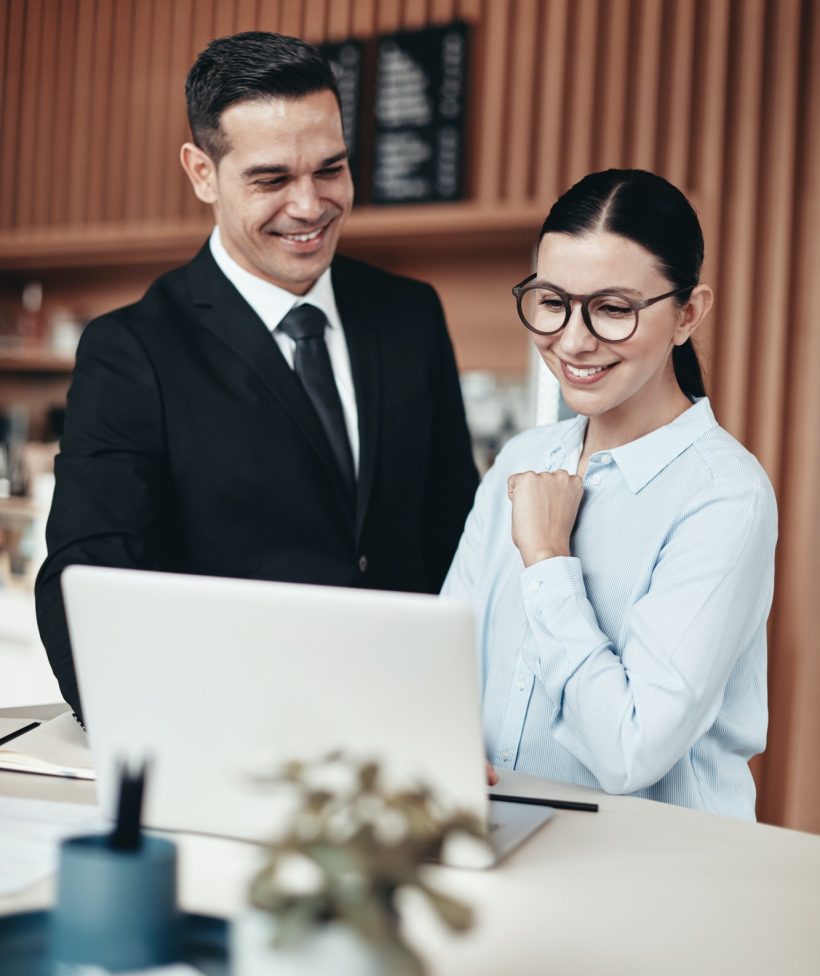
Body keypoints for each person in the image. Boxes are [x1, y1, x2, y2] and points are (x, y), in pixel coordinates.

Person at [35, 31, 478, 723]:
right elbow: (84, 581)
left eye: (330, 168)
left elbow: (456, 533)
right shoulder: (132, 350)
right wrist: (164, 736)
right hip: (234, 736)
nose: (310, 206)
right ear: (202, 172)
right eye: (272, 180)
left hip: (410, 729)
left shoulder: (409, 314)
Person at [443, 169, 777, 818]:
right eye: (551, 301)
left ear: (688, 314)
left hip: (652, 878)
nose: (572, 340)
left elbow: (630, 750)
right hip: (494, 847)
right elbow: (442, 662)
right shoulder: (520, 460)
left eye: (613, 308)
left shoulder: (726, 498)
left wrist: (546, 560)